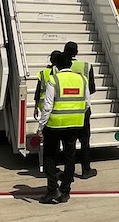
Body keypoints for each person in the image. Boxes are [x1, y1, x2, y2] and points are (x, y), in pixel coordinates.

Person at [35, 50, 88, 204]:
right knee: (70, 157)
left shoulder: (54, 80)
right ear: (71, 64)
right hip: (75, 125)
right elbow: (87, 103)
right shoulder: (82, 79)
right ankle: (65, 191)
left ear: (56, 65)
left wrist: (40, 127)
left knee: (50, 157)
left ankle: (52, 190)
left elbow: (47, 107)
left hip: (55, 125)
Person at [62, 41, 98, 179]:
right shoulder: (86, 66)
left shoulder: (57, 67)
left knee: (68, 143)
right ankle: (85, 169)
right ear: (76, 52)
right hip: (82, 109)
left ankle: (68, 172)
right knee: (84, 141)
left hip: (64, 109)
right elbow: (92, 88)